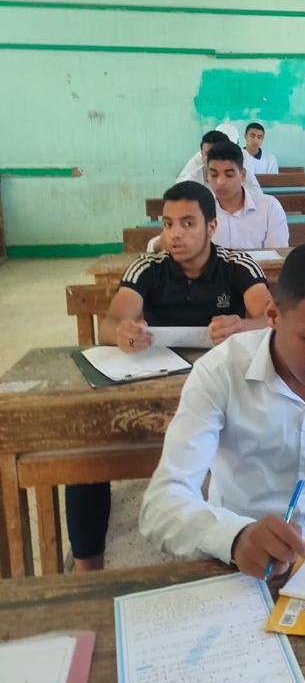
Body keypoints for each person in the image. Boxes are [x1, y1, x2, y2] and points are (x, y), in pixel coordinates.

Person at [140, 242, 305, 579]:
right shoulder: (220, 372)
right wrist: (236, 537)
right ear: (272, 316)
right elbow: (162, 504)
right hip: (243, 557)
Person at [65, 180, 272, 573]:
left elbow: (271, 317)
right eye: (168, 223)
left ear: (212, 226)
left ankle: (248, 542)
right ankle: (86, 572)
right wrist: (123, 332)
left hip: (227, 394)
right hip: (156, 385)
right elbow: (110, 323)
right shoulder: (149, 268)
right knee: (86, 451)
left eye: (188, 223)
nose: (175, 234)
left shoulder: (237, 265)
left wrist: (243, 326)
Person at [150, 142, 289, 252]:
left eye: (229, 174)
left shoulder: (269, 208)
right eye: (214, 174)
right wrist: (161, 243)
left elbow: (277, 256)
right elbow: (160, 244)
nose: (220, 182)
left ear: (243, 175)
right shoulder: (198, 209)